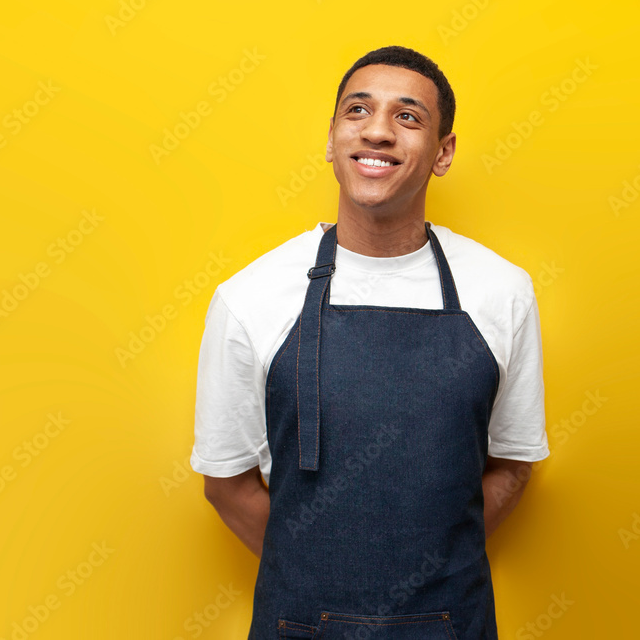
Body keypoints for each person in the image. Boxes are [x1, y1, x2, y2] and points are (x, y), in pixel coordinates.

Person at [190, 45, 549, 639]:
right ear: (332, 139)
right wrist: (318, 581)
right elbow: (227, 486)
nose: (378, 131)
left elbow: (511, 466)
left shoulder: (502, 291)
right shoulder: (249, 296)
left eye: (408, 117)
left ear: (443, 153)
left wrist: (420, 576)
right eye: (358, 111)